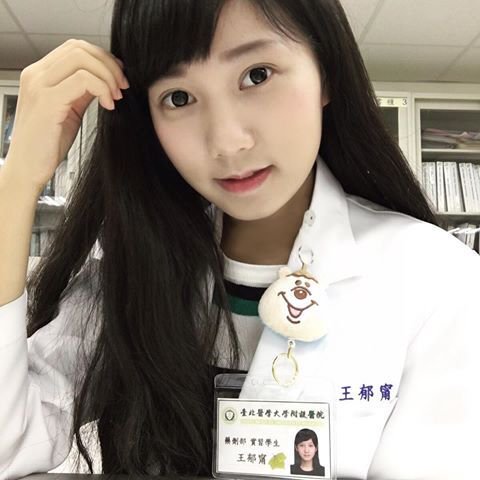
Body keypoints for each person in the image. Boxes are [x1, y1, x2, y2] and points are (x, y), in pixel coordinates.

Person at [0, 0, 478, 478]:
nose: (227, 142)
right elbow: (9, 442)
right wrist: (17, 180)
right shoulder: (134, 274)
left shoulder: (435, 279)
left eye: (257, 75)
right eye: (179, 98)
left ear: (326, 73)